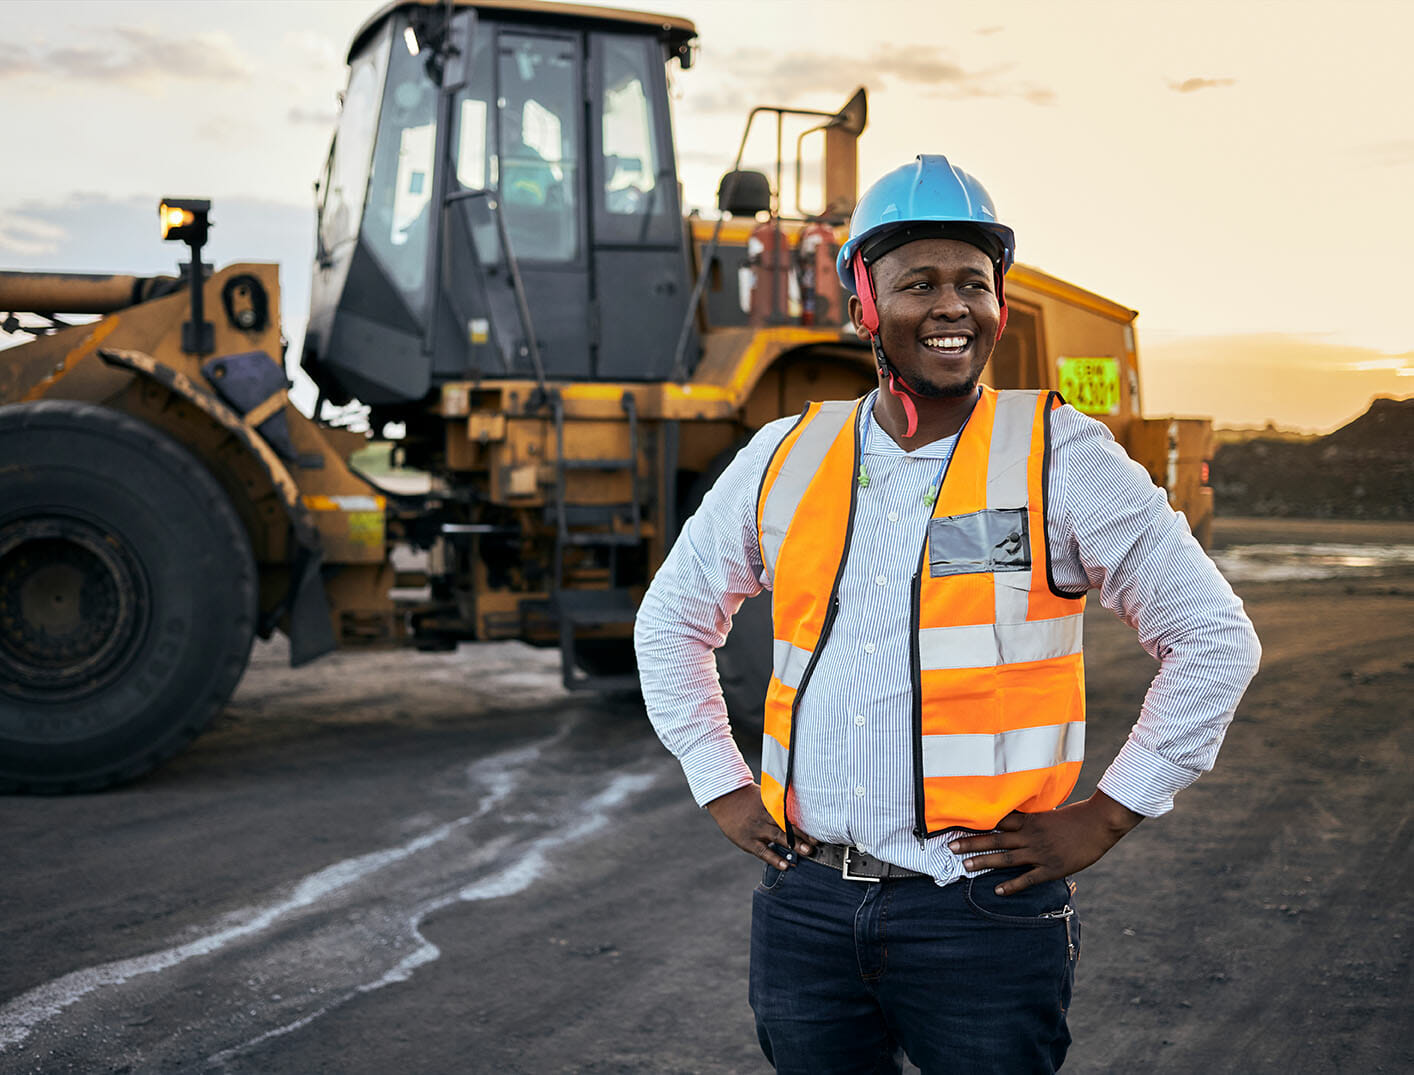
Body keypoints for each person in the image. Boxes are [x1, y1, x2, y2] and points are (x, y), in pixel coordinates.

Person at [633, 154, 1261, 1074]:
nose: (951, 306)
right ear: (862, 303)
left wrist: (1107, 816)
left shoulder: (1062, 458)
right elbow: (671, 622)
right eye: (918, 282)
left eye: (975, 282)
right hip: (807, 906)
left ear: (1001, 306)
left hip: (980, 916)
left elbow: (1213, 639)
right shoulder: (786, 455)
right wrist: (720, 782)